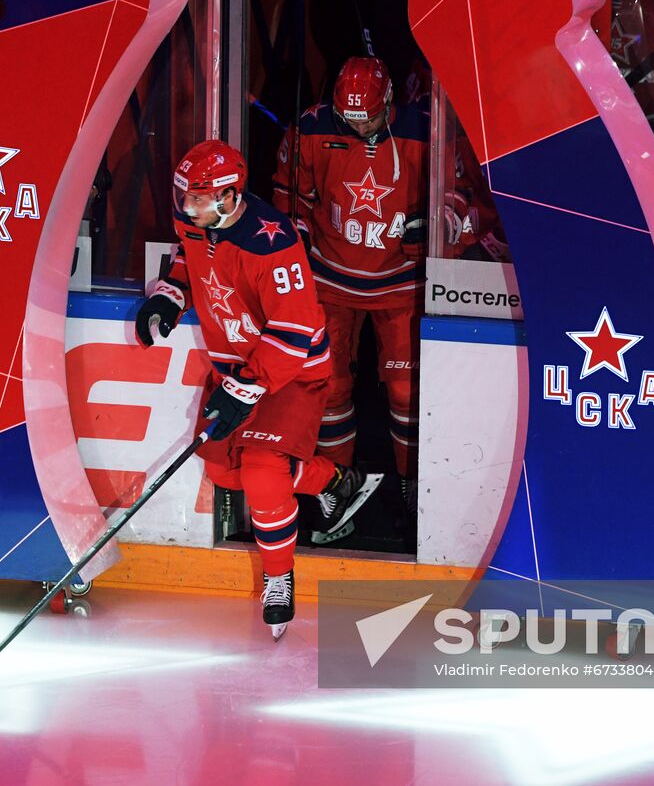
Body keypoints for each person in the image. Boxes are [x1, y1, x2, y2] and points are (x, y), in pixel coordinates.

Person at [135, 139, 381, 639]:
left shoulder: (274, 244)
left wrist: (244, 388)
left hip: (290, 373)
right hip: (236, 369)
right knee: (227, 475)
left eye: (198, 198)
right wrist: (168, 297)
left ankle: (279, 577)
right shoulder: (196, 221)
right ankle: (332, 481)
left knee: (265, 474)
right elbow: (190, 262)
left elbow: (293, 334)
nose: (187, 207)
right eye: (184, 196)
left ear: (229, 196)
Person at [273, 56, 439, 519]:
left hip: (401, 284)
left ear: (391, 102)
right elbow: (290, 198)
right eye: (351, 120)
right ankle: (337, 483)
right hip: (329, 280)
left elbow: (461, 195)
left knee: (407, 391)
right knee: (329, 387)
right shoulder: (310, 127)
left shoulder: (427, 128)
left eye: (369, 118)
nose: (361, 127)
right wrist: (297, 244)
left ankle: (412, 479)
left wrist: (436, 224)